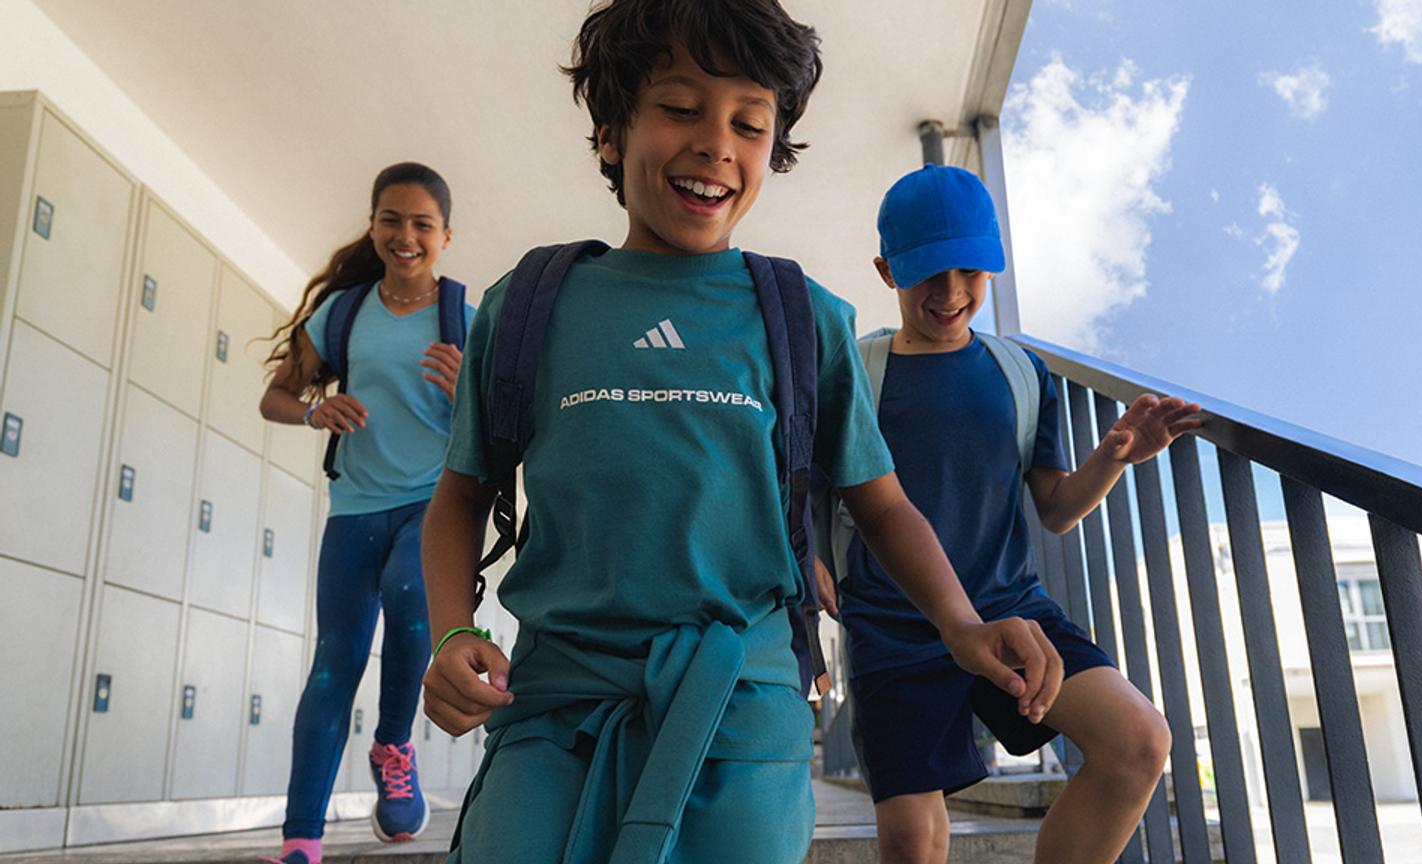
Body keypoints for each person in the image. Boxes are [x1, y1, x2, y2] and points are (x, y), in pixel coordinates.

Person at [417, 3, 1062, 862]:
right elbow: (460, 498)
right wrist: (453, 631)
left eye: (749, 124)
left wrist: (963, 623)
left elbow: (883, 504)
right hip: (553, 703)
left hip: (744, 701)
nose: (717, 143)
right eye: (680, 109)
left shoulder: (804, 320)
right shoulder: (528, 306)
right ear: (610, 132)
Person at [820, 163, 1201, 864]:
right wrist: (807, 560)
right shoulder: (854, 371)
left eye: (970, 270)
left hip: (1013, 612)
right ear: (886, 271)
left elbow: (1055, 509)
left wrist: (1115, 455)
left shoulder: (1021, 373)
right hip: (893, 627)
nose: (951, 291)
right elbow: (817, 492)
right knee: (911, 840)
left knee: (1138, 742)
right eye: (928, 272)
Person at [257, 162, 473, 864]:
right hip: (354, 509)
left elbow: (508, 425)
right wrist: (316, 409)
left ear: (445, 236)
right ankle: (301, 839)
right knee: (334, 664)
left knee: (410, 593)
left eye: (421, 225)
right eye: (391, 220)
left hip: (429, 504)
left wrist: (469, 386)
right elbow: (277, 397)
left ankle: (393, 743)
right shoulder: (342, 314)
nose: (404, 236)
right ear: (374, 224)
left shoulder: (465, 321)